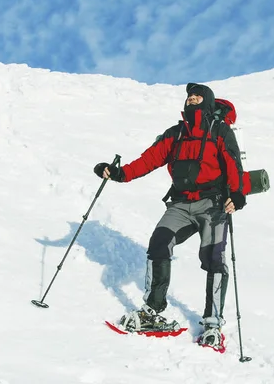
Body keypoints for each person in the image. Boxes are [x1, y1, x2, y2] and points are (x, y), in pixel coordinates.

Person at [94, 83, 246, 348]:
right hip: (179, 204)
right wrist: (119, 173)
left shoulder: (219, 131)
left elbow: (233, 163)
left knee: (213, 259)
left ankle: (212, 324)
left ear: (207, 102)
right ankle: (152, 310)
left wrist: (238, 194)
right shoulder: (175, 134)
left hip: (213, 204)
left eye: (198, 97)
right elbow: (149, 159)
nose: (192, 100)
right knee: (158, 245)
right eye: (189, 97)